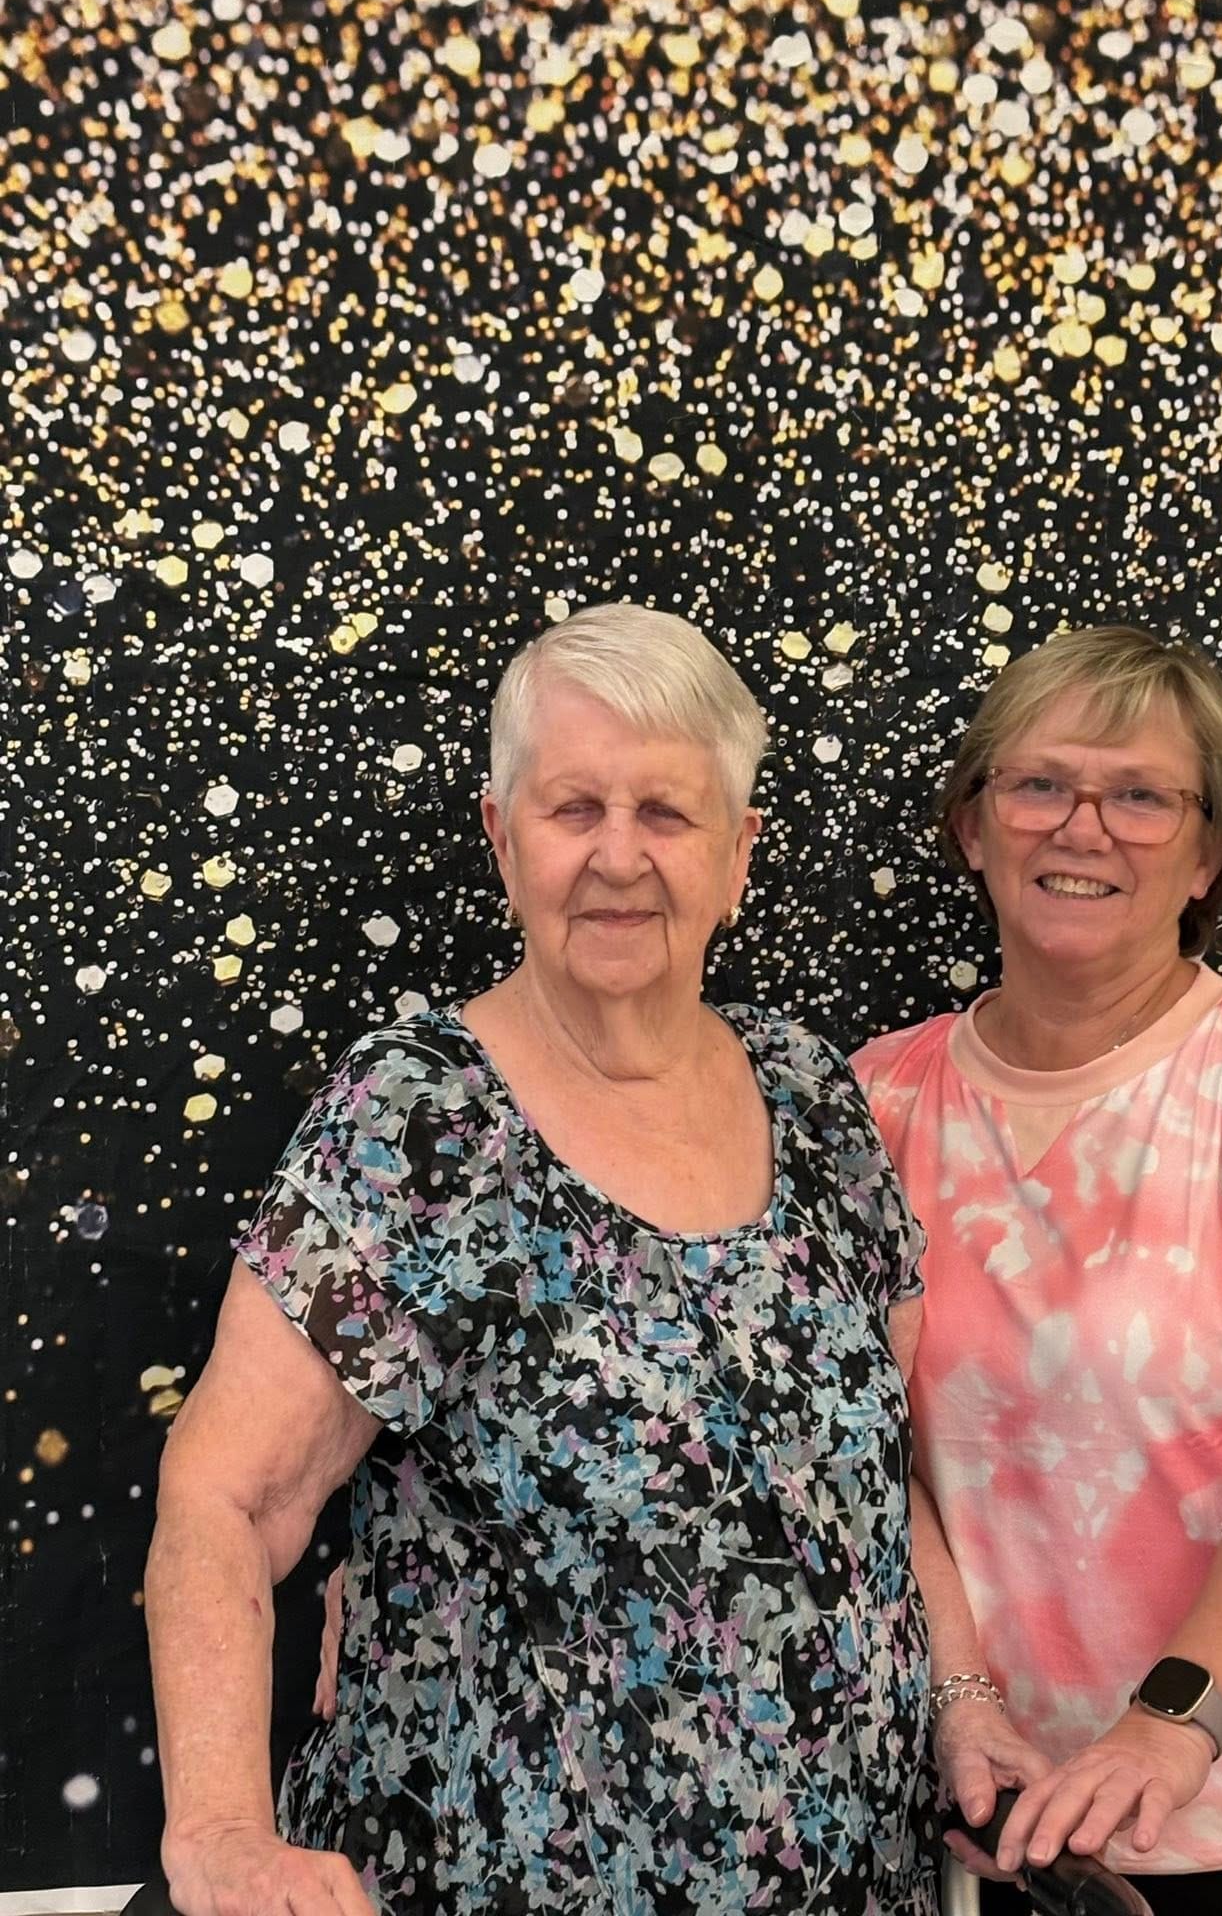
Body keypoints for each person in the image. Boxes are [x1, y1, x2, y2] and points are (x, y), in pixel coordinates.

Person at [144, 605, 936, 1916]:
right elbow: (228, 1497)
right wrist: (220, 1832)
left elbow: (884, 1479)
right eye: (574, 809)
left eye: (666, 813)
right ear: (503, 840)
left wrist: (965, 1705)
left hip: (854, 1875)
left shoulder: (806, 1089)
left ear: (739, 855)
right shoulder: (419, 1121)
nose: (619, 856)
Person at [853, 626, 1222, 1914]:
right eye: (1039, 784)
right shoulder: (870, 1108)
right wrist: (959, 1702)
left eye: (1140, 796)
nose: (1084, 828)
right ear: (973, 826)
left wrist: (1169, 1724)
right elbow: (861, 1458)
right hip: (1026, 1826)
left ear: (1206, 857)